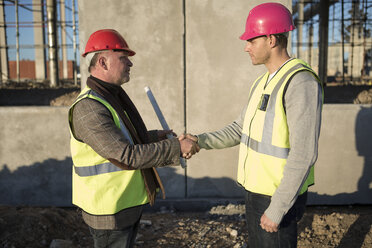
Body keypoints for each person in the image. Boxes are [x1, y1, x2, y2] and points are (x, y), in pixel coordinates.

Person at [183, 3, 323, 247]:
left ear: (271, 40)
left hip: (278, 196)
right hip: (255, 192)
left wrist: (278, 207)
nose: (246, 47)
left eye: (251, 40)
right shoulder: (262, 82)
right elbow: (240, 129)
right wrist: (200, 140)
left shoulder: (300, 82)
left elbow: (304, 153)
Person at [68, 29, 198, 248]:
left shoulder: (109, 97)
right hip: (109, 212)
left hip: (123, 205)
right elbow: (125, 155)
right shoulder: (89, 108)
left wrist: (156, 137)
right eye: (123, 58)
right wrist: (174, 147)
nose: (130, 64)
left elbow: (124, 138)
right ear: (103, 62)